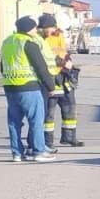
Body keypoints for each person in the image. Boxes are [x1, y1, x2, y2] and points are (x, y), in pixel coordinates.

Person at [0, 16, 56, 163]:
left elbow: (2, 66)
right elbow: (41, 66)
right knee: (36, 120)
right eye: (34, 28)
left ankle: (17, 153)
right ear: (29, 29)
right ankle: (39, 152)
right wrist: (50, 86)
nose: (35, 30)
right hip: (28, 86)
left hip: (10, 86)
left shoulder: (7, 42)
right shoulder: (28, 43)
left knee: (14, 122)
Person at [36, 13, 71, 151]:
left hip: (60, 73)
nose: (53, 29)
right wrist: (63, 63)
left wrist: (68, 60)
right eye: (51, 27)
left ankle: (67, 137)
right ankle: (45, 142)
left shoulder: (58, 35)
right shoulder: (41, 39)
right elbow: (48, 56)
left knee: (68, 105)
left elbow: (63, 51)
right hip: (48, 75)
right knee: (47, 110)